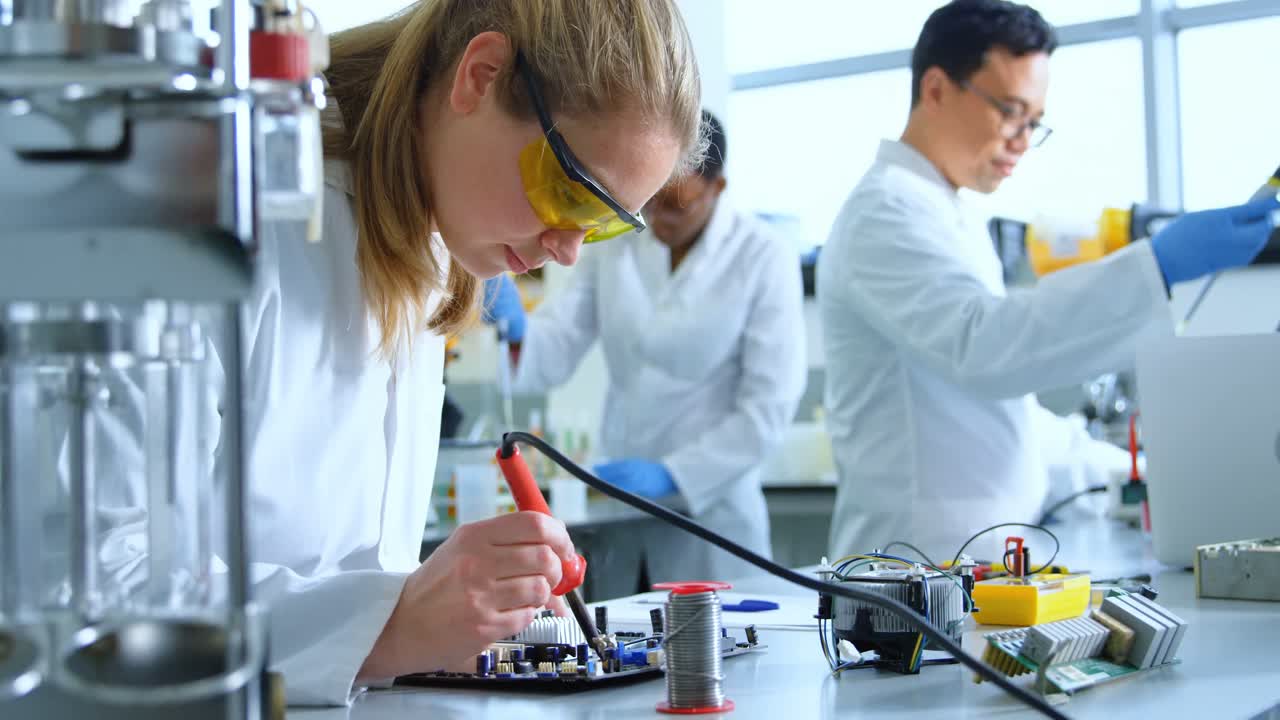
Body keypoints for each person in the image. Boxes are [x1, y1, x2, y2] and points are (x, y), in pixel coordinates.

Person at [90, 0, 703, 706]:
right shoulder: (211, 211)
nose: (565, 248)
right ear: (480, 75)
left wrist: (451, 624)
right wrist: (387, 628)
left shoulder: (431, 239)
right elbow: (97, 591)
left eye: (600, 224)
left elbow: (359, 574)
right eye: (570, 191)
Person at [818, 0, 1279, 562]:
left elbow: (1002, 417)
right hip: (914, 563)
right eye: (1010, 111)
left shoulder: (944, 210)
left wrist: (1136, 470)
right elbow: (986, 348)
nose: (1021, 139)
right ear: (936, 89)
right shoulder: (885, 211)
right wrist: (1154, 266)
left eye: (1034, 122)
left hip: (970, 557)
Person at [485, 111, 807, 582]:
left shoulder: (763, 256)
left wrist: (675, 475)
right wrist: (518, 334)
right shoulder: (617, 244)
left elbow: (768, 410)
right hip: (622, 510)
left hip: (712, 519)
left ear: (717, 189)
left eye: (678, 206)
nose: (660, 219)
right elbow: (561, 341)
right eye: (654, 201)